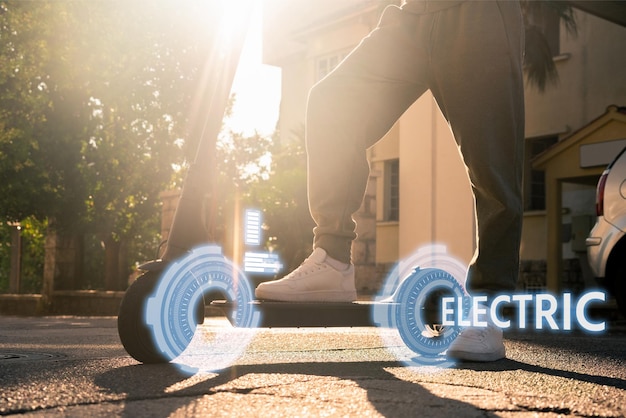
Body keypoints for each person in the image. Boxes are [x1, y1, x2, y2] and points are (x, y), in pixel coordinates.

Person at [256, 0, 525, 362]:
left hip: (479, 15)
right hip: (410, 15)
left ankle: (486, 306)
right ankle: (333, 261)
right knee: (331, 101)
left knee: (493, 170)